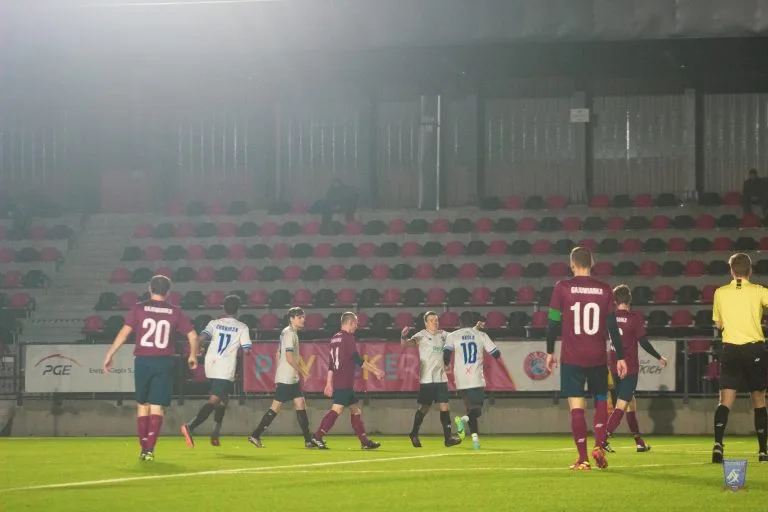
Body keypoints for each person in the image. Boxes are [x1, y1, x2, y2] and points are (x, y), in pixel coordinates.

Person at [546, 247, 627, 470]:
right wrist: (620, 357)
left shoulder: (562, 288)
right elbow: (612, 325)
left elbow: (553, 321)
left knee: (576, 406)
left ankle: (582, 459)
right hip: (598, 356)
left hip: (572, 356)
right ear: (592, 262)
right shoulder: (605, 290)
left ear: (571, 264)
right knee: (601, 400)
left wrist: (550, 350)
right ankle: (599, 446)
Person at [102, 275, 197, 462]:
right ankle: (150, 449)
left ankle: (143, 446)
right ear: (168, 292)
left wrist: (110, 353)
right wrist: (192, 355)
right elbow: (192, 335)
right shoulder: (175, 311)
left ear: (149, 288)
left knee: (142, 405)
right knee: (156, 405)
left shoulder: (139, 308)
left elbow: (125, 332)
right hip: (163, 362)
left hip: (143, 360)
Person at [711, 253, 768, 463]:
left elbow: (718, 324)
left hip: (731, 349)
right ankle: (763, 451)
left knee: (725, 400)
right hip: (754, 349)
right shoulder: (759, 291)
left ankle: (718, 445)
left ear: (731, 271)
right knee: (759, 400)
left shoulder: (720, 293)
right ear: (750, 270)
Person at [603, 285, 667, 453]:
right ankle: (602, 439)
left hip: (615, 367)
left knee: (630, 404)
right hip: (629, 367)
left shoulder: (610, 318)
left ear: (615, 301)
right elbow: (643, 342)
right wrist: (659, 356)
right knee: (622, 405)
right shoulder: (634, 318)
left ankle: (639, 442)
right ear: (630, 300)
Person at [181, 295, 252, 448]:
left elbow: (200, 338)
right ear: (238, 310)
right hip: (225, 367)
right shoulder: (242, 327)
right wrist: (245, 348)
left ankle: (215, 432)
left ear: (223, 308)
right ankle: (190, 427)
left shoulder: (214, 323)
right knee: (214, 400)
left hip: (210, 364)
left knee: (223, 400)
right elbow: (247, 350)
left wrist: (196, 351)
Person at [311, 312, 385, 449]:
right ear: (350, 322)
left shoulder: (335, 338)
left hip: (341, 381)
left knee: (355, 409)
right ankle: (317, 437)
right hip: (344, 380)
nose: (357, 326)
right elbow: (357, 359)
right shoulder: (348, 337)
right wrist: (375, 371)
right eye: (356, 323)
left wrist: (328, 383)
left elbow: (331, 364)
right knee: (337, 410)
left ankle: (364, 442)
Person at [248, 307, 314, 448]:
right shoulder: (290, 334)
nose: (303, 319)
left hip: (289, 377)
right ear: (291, 318)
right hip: (287, 378)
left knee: (300, 405)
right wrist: (303, 371)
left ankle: (308, 440)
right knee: (275, 408)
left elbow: (278, 353)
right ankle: (255, 435)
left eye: (303, 316)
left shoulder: (287, 332)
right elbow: (289, 358)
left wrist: (279, 372)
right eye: (299, 317)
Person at [401, 312, 462, 448]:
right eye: (432, 320)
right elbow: (405, 345)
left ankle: (448, 438)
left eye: (436, 319)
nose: (435, 322)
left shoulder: (444, 334)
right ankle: (414, 433)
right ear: (426, 323)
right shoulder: (421, 335)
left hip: (441, 377)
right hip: (427, 379)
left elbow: (457, 339)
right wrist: (403, 336)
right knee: (424, 407)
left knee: (444, 406)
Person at [443, 315, 502, 450]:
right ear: (475, 322)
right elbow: (496, 354)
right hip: (475, 377)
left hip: (460, 379)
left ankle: (475, 440)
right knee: (477, 410)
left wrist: (446, 364)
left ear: (460, 323)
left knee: (470, 408)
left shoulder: (453, 335)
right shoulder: (481, 335)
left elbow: (446, 353)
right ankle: (463, 420)